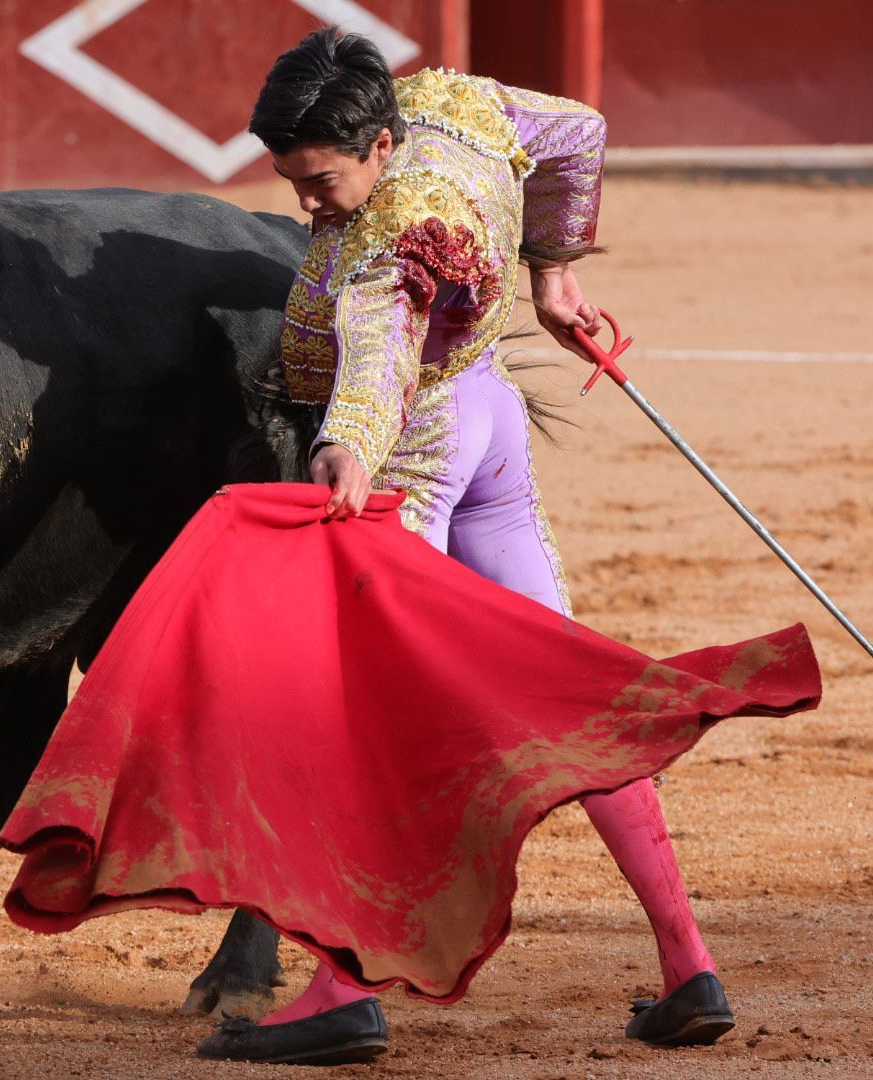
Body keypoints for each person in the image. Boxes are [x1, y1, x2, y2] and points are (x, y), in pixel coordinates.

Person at [194, 28, 730, 1063]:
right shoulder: (459, 103)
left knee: (371, 727)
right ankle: (689, 965)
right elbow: (579, 130)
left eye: (324, 181)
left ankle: (342, 990)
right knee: (573, 697)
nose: (310, 204)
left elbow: (380, 348)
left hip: (419, 457)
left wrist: (350, 448)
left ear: (382, 146)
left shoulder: (388, 237)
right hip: (493, 429)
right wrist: (556, 274)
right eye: (294, 182)